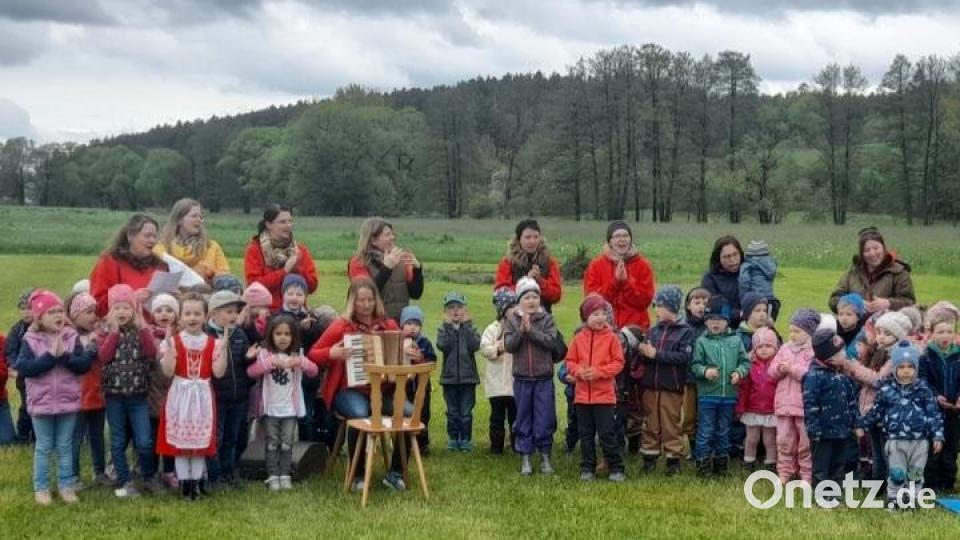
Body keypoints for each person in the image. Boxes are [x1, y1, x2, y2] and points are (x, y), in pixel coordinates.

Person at [308, 279, 410, 492]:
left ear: (376, 301)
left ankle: (396, 472)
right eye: (360, 300)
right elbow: (313, 354)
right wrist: (332, 353)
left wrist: (412, 356)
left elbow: (404, 358)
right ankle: (358, 475)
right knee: (359, 413)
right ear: (352, 302)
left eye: (370, 300)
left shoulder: (388, 326)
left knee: (407, 412)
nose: (365, 305)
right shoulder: (342, 327)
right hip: (351, 391)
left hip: (383, 391)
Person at [18, 290, 96, 505]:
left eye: (60, 311)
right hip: (41, 404)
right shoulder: (30, 339)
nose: (58, 315)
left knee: (64, 446)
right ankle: (41, 488)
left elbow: (83, 366)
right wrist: (50, 356)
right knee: (44, 446)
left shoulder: (71, 337)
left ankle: (66, 486)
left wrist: (64, 356)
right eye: (51, 312)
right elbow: (25, 368)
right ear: (39, 317)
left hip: (67, 402)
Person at [157, 293, 227, 501]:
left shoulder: (212, 343)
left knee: (199, 444)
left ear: (205, 316)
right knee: (181, 446)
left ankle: (196, 483)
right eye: (187, 313)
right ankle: (185, 485)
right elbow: (168, 372)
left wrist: (223, 352)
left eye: (197, 313)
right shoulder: (174, 341)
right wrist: (169, 350)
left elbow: (219, 372)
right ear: (180, 317)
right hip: (180, 394)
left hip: (202, 396)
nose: (192, 317)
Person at [859, 341, 944, 508]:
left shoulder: (923, 389)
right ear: (895, 368)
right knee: (897, 473)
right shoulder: (886, 389)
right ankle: (895, 499)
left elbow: (934, 414)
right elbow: (876, 412)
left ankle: (912, 499)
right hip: (896, 441)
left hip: (919, 441)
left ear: (916, 368)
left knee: (916, 473)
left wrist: (938, 435)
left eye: (910, 367)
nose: (906, 371)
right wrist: (861, 424)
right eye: (901, 367)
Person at [99, 284, 160, 497]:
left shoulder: (142, 331)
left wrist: (143, 326)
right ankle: (125, 480)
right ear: (110, 311)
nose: (122, 312)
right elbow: (104, 357)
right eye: (117, 308)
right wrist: (114, 333)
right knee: (117, 441)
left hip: (138, 397)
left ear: (134, 310)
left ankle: (149, 476)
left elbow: (152, 353)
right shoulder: (104, 331)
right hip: (114, 397)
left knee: (144, 441)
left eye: (126, 308)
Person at [247, 315, 319, 490]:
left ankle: (285, 474)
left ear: (293, 336)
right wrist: (268, 364)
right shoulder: (265, 354)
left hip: (290, 409)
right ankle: (272, 475)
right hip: (270, 408)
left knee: (287, 442)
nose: (282, 337)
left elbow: (314, 371)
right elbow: (251, 372)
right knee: (272, 442)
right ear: (271, 335)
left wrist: (301, 363)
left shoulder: (297, 355)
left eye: (287, 334)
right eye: (278, 333)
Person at [566, 295, 626, 483]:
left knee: (607, 433)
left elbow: (618, 363)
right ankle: (587, 467)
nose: (600, 318)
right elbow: (570, 361)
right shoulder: (578, 338)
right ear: (585, 318)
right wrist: (579, 372)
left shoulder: (612, 338)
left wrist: (599, 372)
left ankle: (616, 467)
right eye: (594, 314)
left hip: (604, 397)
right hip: (583, 397)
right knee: (586, 434)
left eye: (602, 314)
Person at [503, 277, 559, 475]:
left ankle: (545, 457)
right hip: (522, 379)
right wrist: (521, 331)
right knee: (523, 418)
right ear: (519, 300)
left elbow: (551, 342)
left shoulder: (547, 319)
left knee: (545, 418)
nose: (531, 301)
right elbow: (509, 345)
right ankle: (525, 458)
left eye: (535, 296)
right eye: (527, 297)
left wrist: (531, 331)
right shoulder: (510, 319)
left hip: (543, 378)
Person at [636, 285, 694, 476]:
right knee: (650, 422)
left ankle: (673, 460)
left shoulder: (685, 332)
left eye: (658, 306)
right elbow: (648, 355)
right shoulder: (653, 330)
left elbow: (683, 358)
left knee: (671, 424)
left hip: (671, 387)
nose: (656, 310)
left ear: (668, 306)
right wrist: (643, 352)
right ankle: (649, 458)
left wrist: (656, 354)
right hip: (651, 387)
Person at [690, 296, 749, 477]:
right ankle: (702, 463)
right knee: (706, 429)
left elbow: (745, 362)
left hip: (729, 395)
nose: (715, 323)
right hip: (708, 395)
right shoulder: (702, 341)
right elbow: (695, 365)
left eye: (720, 320)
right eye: (711, 320)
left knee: (724, 430)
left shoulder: (735, 341)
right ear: (706, 322)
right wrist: (705, 371)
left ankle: (721, 464)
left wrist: (739, 372)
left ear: (726, 322)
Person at [206, 290, 255, 489]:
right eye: (228, 312)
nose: (234, 316)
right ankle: (214, 476)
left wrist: (249, 356)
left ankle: (229, 473)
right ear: (213, 314)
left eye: (235, 312)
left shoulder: (239, 334)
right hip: (217, 397)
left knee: (232, 437)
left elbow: (243, 360)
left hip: (238, 396)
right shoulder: (206, 336)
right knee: (216, 437)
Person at [804, 330, 859, 498]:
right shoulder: (814, 376)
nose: (846, 355)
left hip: (842, 430)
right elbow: (810, 404)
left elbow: (851, 401)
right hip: (823, 433)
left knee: (838, 464)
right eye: (842, 352)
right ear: (831, 357)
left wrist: (855, 424)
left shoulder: (843, 375)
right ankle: (823, 497)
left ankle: (835, 495)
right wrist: (814, 429)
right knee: (821, 466)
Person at [768, 308, 819, 484]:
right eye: (791, 330)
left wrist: (792, 369)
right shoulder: (784, 349)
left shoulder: (813, 352)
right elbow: (771, 371)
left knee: (805, 442)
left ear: (809, 332)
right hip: (784, 404)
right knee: (784, 440)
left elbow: (810, 375)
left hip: (804, 406)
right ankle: (784, 472)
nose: (793, 335)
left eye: (797, 331)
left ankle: (806, 474)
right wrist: (779, 369)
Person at [66, 291, 109, 487]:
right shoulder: (70, 337)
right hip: (78, 397)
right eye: (89, 312)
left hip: (98, 394)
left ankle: (99, 472)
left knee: (97, 436)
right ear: (75, 315)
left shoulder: (98, 334)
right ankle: (72, 475)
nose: (94, 316)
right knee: (75, 438)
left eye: (95, 312)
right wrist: (92, 343)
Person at [89, 214, 169, 317]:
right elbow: (97, 305)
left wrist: (174, 299)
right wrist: (130, 298)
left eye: (154, 236)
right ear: (130, 236)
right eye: (147, 236)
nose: (152, 240)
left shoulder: (161, 266)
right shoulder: (109, 262)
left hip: (157, 327)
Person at [348, 218, 424, 322]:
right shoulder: (358, 262)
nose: (392, 238)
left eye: (392, 234)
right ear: (373, 240)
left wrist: (417, 269)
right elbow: (365, 295)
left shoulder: (400, 259)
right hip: (372, 325)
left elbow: (416, 294)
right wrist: (387, 268)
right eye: (387, 235)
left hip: (399, 327)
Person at [582, 220, 656, 329]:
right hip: (604, 327)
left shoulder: (643, 265)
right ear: (610, 241)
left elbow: (644, 302)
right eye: (617, 236)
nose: (621, 239)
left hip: (636, 328)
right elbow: (592, 302)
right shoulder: (596, 266)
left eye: (625, 235)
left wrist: (626, 282)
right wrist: (615, 282)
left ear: (630, 240)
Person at [244, 204, 318, 311]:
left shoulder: (300, 250)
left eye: (290, 221)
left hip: (296, 311)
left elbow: (312, 286)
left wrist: (297, 269)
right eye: (282, 222)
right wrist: (284, 271)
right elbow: (254, 286)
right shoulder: (255, 250)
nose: (288, 225)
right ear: (269, 224)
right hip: (266, 311)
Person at [828, 227, 915, 314]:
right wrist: (854, 302)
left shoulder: (899, 272)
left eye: (876, 248)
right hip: (854, 325)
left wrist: (889, 303)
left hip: (885, 325)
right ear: (861, 254)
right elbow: (833, 300)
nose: (872, 253)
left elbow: (910, 302)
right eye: (867, 250)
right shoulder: (852, 272)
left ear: (884, 248)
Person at [921, 305, 960, 492]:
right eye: (940, 332)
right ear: (932, 333)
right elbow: (923, 381)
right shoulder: (927, 356)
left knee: (951, 449)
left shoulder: (958, 356)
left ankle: (948, 483)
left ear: (955, 333)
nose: (945, 336)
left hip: (953, 411)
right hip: (933, 411)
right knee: (934, 449)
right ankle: (932, 484)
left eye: (949, 332)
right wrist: (935, 395)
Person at [436, 292, 481, 451]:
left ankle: (466, 439)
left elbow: (475, 345)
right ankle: (453, 438)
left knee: (466, 412)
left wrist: (467, 326)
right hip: (449, 379)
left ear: (465, 311)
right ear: (446, 313)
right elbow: (443, 345)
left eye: (459, 307)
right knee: (452, 411)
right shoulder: (443, 330)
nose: (455, 311)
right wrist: (449, 328)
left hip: (468, 379)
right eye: (451, 308)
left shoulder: (470, 328)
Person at [480, 288, 518, 455]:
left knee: (515, 416)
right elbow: (484, 349)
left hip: (514, 382)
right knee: (497, 417)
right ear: (503, 309)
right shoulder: (492, 329)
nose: (515, 310)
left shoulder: (519, 328)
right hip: (496, 384)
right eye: (511, 307)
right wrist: (497, 348)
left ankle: (517, 444)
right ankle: (496, 446)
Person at [494, 219, 562, 312]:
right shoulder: (507, 262)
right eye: (527, 237)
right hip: (513, 316)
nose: (532, 241)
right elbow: (500, 295)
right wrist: (526, 282)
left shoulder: (550, 262)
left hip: (542, 319)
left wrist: (539, 281)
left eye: (535, 237)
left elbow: (556, 296)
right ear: (519, 239)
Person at [155, 198, 230, 282]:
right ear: (179, 220)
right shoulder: (161, 247)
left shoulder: (212, 246)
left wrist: (211, 275)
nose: (199, 220)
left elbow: (224, 277)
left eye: (201, 217)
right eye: (194, 216)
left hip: (206, 292)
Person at [736, 327, 779, 471]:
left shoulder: (778, 365)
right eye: (760, 346)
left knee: (769, 440)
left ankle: (771, 462)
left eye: (768, 346)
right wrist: (741, 408)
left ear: (775, 347)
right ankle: (749, 461)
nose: (764, 349)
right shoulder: (749, 365)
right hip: (752, 409)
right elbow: (744, 389)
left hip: (771, 409)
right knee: (752, 438)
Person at [399, 305, 437, 454]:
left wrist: (421, 358)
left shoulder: (425, 343)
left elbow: (432, 361)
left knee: (423, 414)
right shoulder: (398, 342)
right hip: (405, 387)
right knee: (405, 413)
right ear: (402, 325)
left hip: (422, 386)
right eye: (408, 323)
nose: (412, 328)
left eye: (416, 324)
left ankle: (422, 444)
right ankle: (405, 442)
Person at [681, 287, 710, 459]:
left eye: (705, 303)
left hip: (707, 380)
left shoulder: (712, 327)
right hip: (689, 380)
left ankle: (704, 448)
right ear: (688, 306)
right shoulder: (683, 328)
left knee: (704, 416)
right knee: (689, 416)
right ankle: (692, 449)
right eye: (697, 302)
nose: (701, 306)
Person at [5, 289, 35, 443]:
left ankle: (37, 435)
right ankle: (23, 435)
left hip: (39, 374)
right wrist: (14, 365)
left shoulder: (43, 327)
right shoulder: (17, 330)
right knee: (26, 406)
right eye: (23, 308)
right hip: (23, 377)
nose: (26, 312)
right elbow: (10, 350)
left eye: (30, 308)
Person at [701, 236, 745, 327]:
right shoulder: (710, 278)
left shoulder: (749, 272)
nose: (732, 260)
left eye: (735, 254)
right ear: (718, 258)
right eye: (727, 256)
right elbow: (714, 309)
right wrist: (741, 314)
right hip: (721, 328)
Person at [738, 240, 780, 321]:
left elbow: (744, 281)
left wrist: (743, 299)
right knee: (767, 325)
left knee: (754, 324)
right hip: (771, 300)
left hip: (755, 300)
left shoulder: (747, 264)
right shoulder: (771, 264)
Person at [836, 293, 867, 360]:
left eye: (849, 314)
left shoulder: (861, 334)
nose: (844, 318)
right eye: (841, 314)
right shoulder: (834, 329)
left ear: (858, 317)